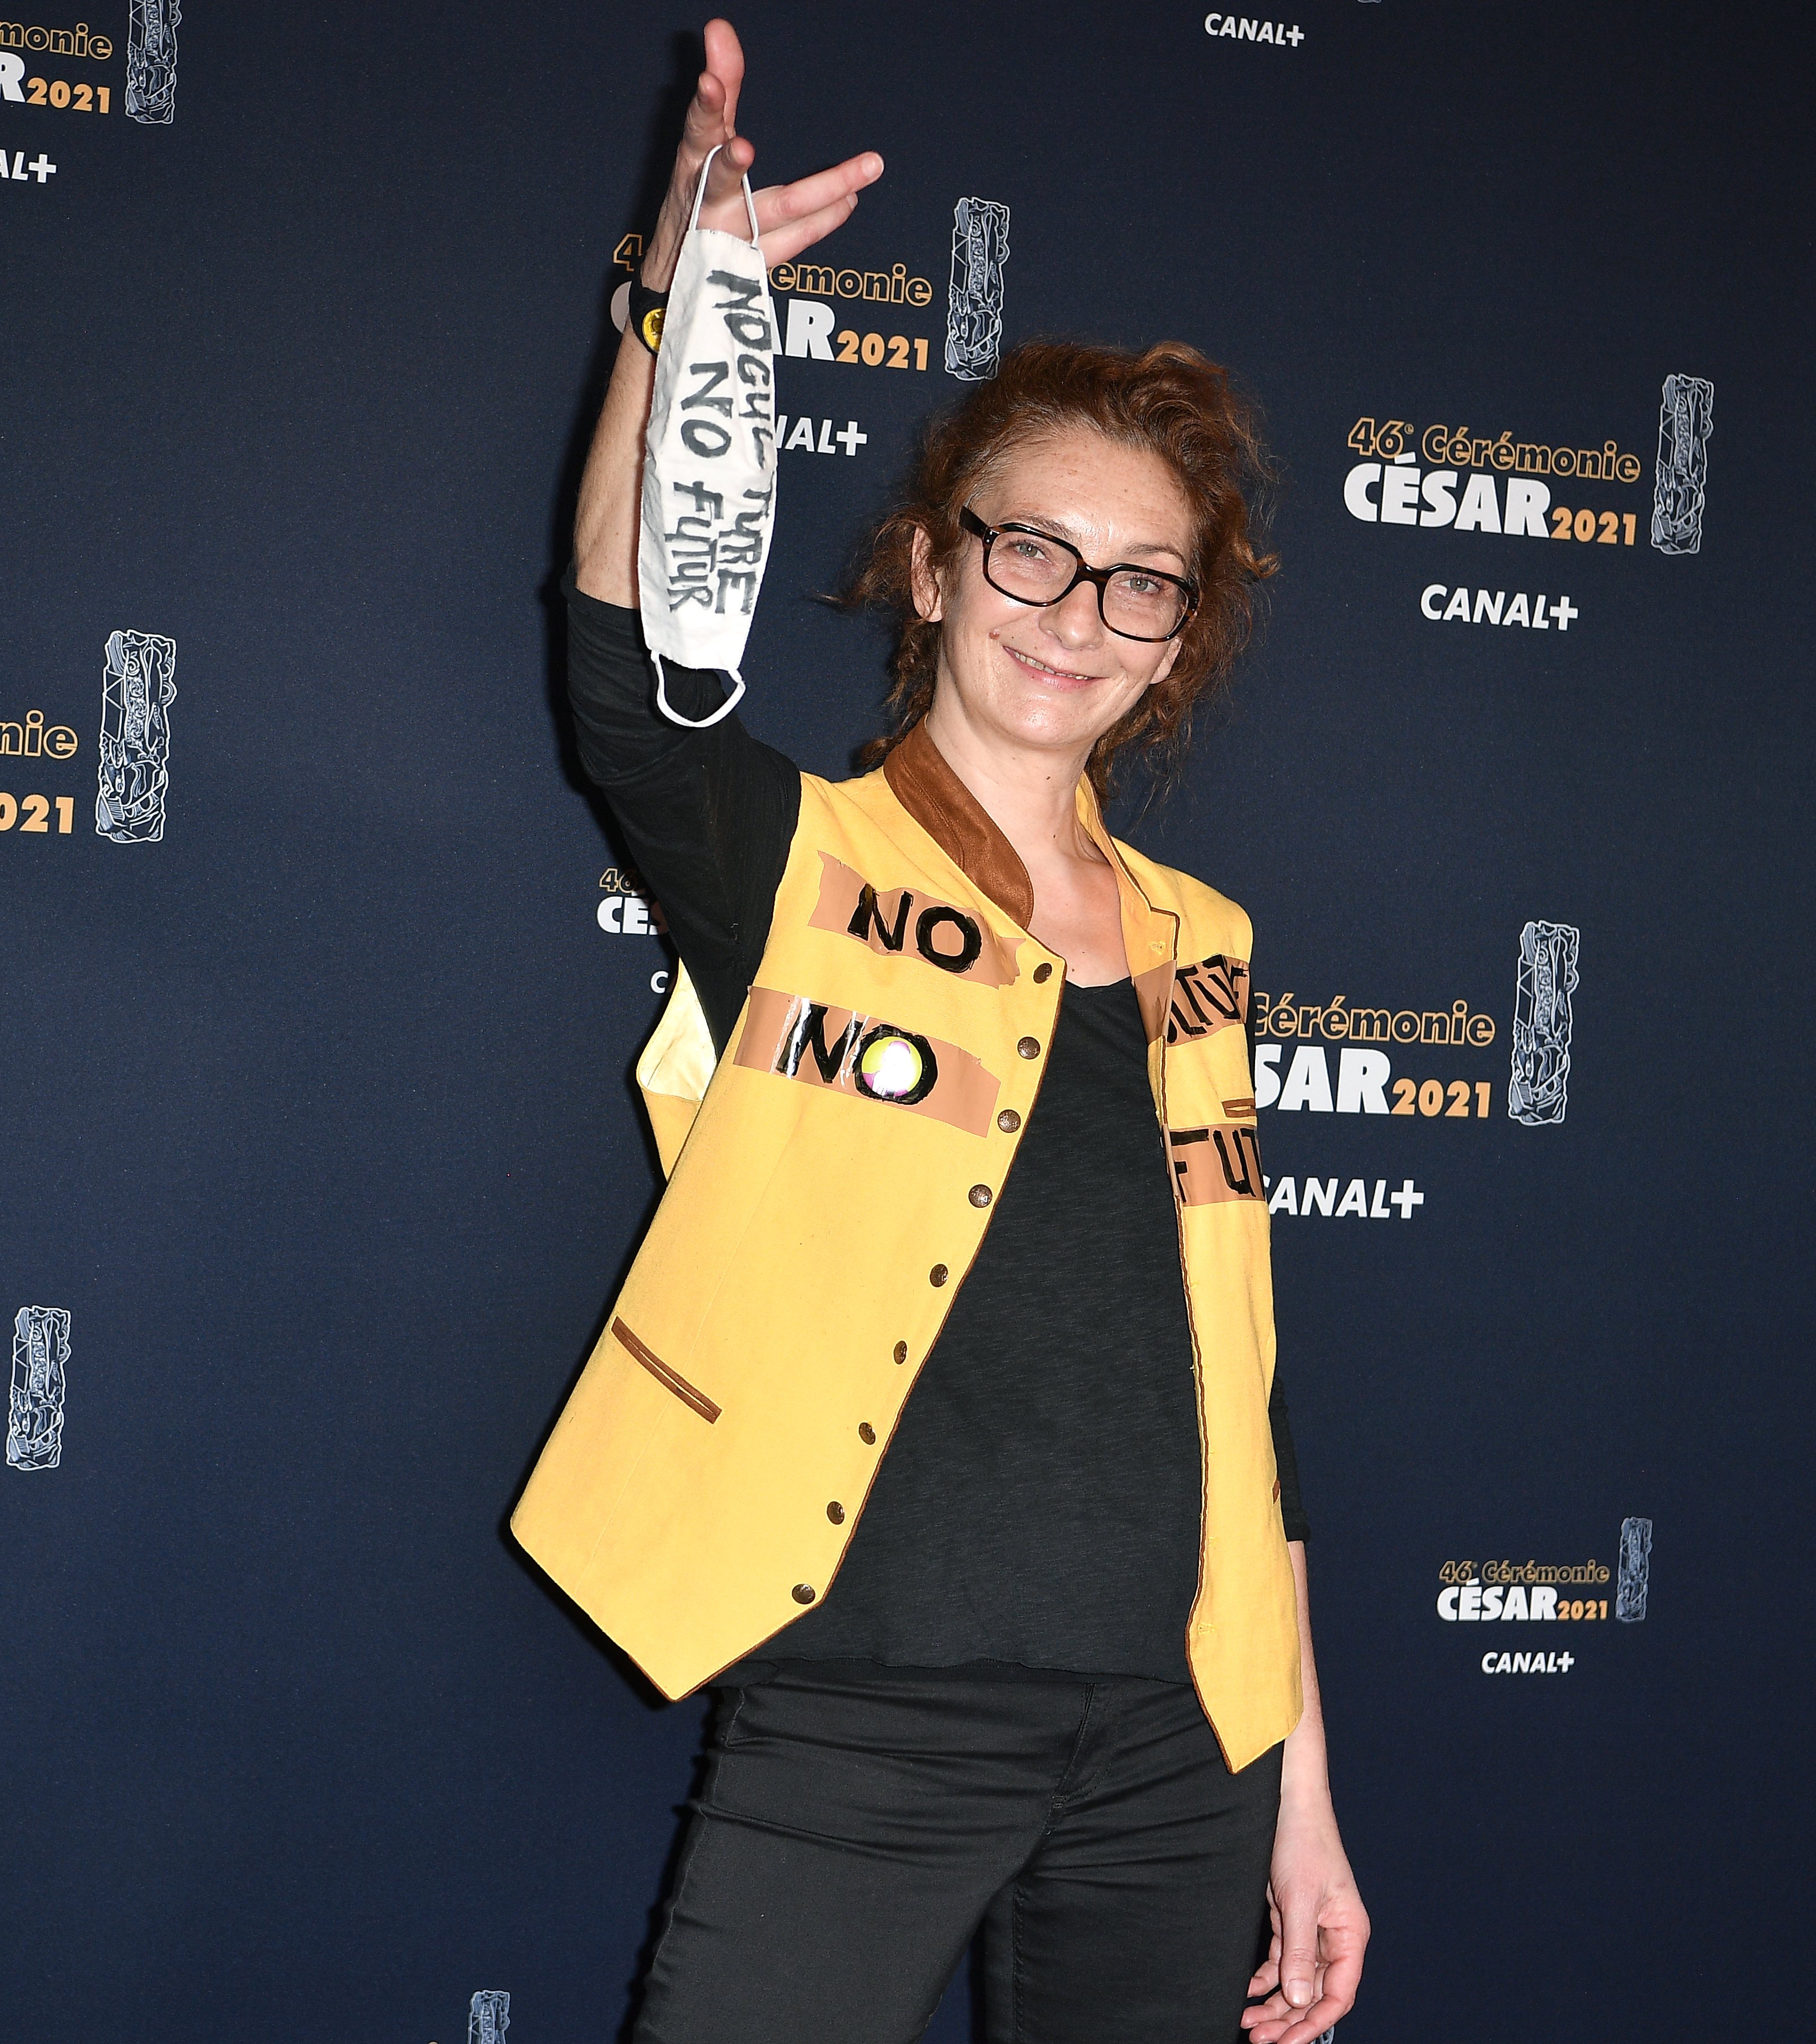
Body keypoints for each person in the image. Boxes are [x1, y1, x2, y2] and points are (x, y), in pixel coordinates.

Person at [511, 23, 1367, 2043]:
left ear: (1178, 640)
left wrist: (1301, 1802)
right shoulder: (787, 860)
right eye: (1031, 549)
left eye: (1139, 584)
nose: (1074, 613)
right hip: (862, 1720)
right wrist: (681, 310)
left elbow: (1246, 1404)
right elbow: (627, 676)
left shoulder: (1204, 944)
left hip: (1183, 1745)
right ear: (929, 561)